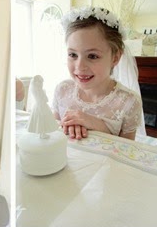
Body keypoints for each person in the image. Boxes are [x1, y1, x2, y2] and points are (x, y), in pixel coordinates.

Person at [52, 7, 143, 140]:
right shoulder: (62, 90)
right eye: (73, 54)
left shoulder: (128, 102)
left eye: (92, 56)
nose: (80, 66)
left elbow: (125, 149)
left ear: (115, 58)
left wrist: (96, 124)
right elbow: (53, 134)